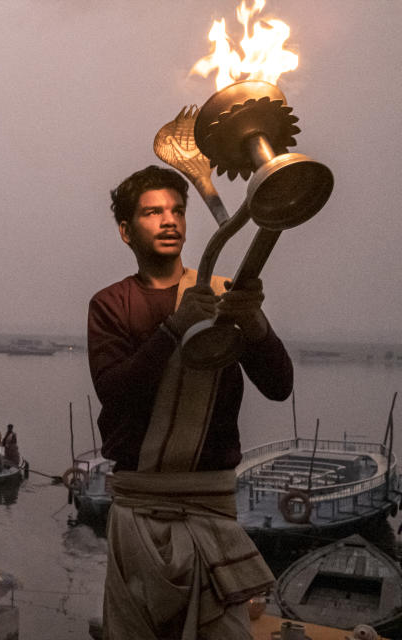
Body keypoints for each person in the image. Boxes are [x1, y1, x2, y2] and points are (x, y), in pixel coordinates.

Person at [88, 165, 293, 639]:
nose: (169, 221)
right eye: (152, 212)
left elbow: (279, 384)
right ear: (126, 231)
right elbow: (115, 393)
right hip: (139, 513)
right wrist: (175, 328)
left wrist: (255, 325)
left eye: (177, 210)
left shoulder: (221, 293)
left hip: (210, 509)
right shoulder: (111, 304)